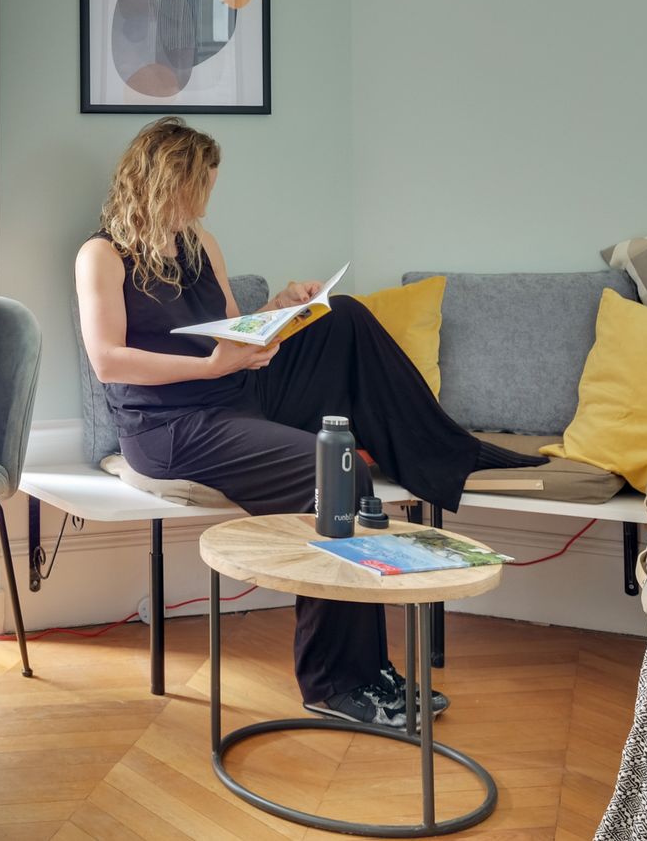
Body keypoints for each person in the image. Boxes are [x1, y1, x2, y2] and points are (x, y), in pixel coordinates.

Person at [74, 117, 544, 727]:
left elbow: (233, 331)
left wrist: (277, 314)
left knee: (342, 316)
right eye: (198, 189)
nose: (205, 203)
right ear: (164, 182)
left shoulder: (200, 242)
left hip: (232, 392)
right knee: (333, 471)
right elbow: (107, 361)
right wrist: (219, 367)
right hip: (168, 429)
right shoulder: (102, 255)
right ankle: (337, 681)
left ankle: (444, 450)